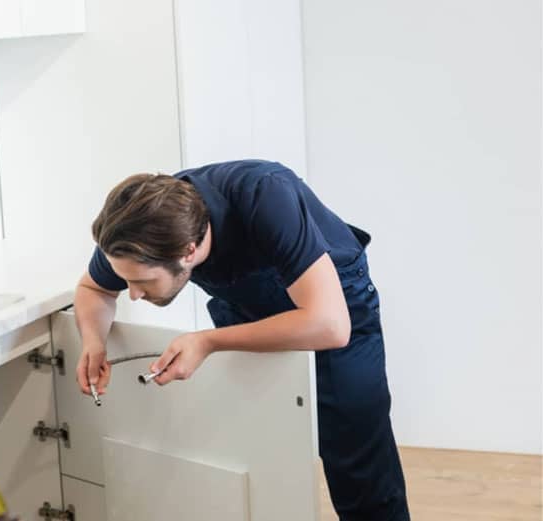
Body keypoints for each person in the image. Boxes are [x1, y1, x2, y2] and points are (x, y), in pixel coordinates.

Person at [74, 160, 410, 520]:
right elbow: (93, 289)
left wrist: (208, 341)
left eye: (142, 283)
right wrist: (94, 340)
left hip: (335, 302)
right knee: (256, 454)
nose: (133, 295)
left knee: (355, 457)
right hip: (249, 303)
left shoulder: (264, 195)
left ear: (188, 252)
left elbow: (330, 324)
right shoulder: (138, 230)